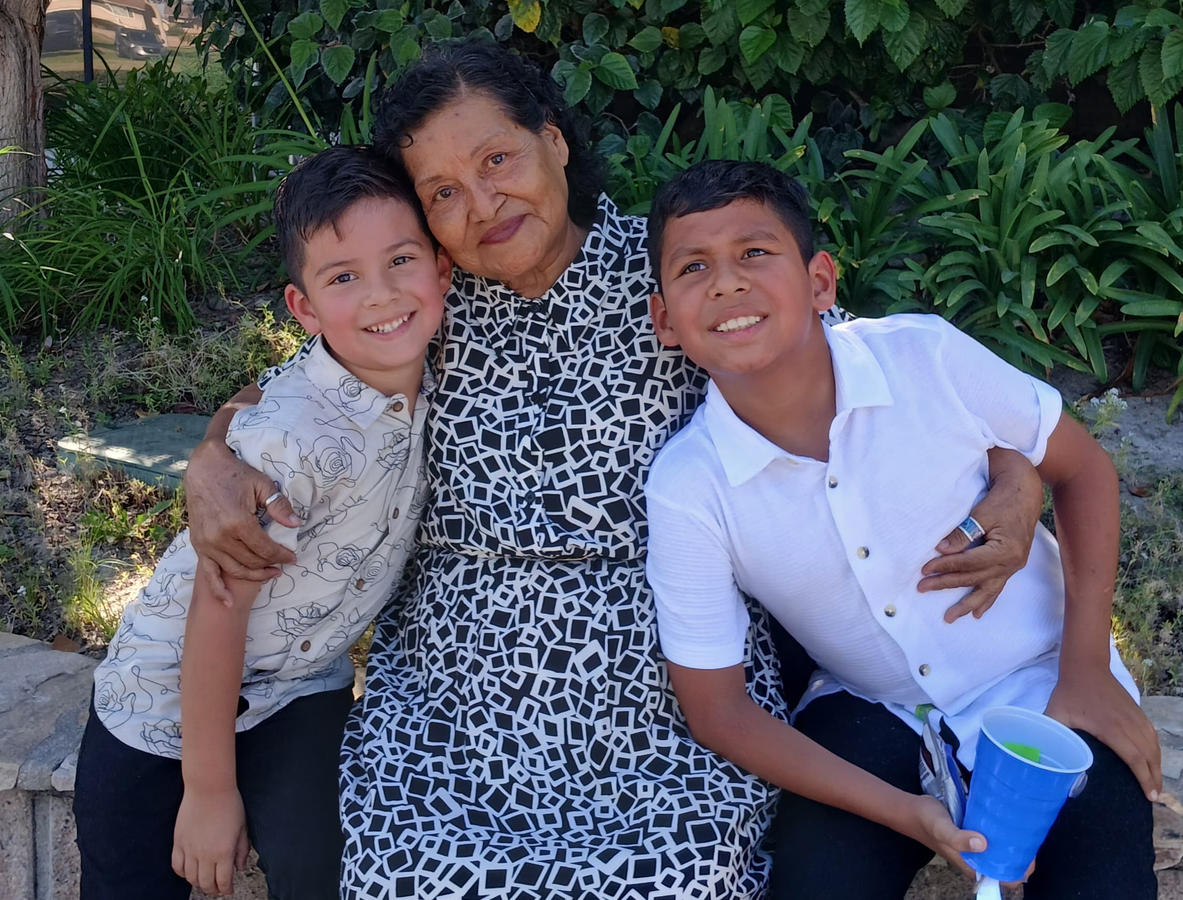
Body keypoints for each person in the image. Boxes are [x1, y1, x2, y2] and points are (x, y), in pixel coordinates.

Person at [181, 40, 1049, 898]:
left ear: (554, 140)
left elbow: (864, 372)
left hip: (663, 675)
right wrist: (215, 453)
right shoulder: (418, 300)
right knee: (405, 871)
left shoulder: (676, 271)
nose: (482, 204)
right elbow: (298, 388)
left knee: (681, 873)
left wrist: (1018, 477)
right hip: (454, 689)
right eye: (442, 192)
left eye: (497, 160)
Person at [643, 159, 1161, 900]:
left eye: (755, 252)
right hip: (872, 709)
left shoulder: (924, 357)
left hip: (1040, 676)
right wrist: (904, 813)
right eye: (693, 267)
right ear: (665, 320)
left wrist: (1086, 673)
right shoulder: (689, 487)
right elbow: (717, 710)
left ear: (821, 282)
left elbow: (1084, 472)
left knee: (1103, 875)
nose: (726, 282)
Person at [72, 145, 448, 900]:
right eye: (343, 278)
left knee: (332, 865)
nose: (381, 295)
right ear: (303, 309)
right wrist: (209, 793)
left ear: (442, 270)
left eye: (401, 261)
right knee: (128, 875)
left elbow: (250, 391)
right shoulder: (291, 441)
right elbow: (218, 607)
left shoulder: (438, 370)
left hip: (300, 688)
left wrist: (218, 429)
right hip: (162, 701)